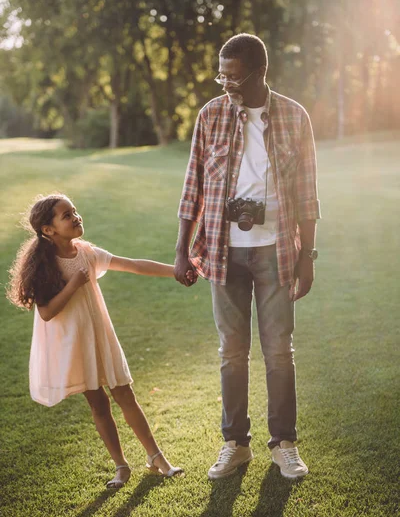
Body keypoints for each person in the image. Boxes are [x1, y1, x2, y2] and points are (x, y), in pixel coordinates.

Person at [174, 33, 321, 480]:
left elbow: (307, 194)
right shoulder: (211, 115)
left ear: (261, 72)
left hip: (277, 249)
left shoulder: (295, 117)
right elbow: (193, 185)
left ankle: (285, 444)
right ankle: (235, 444)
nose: (225, 83)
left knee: (279, 351)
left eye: (233, 76)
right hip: (222, 251)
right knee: (231, 352)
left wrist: (307, 255)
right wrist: (182, 248)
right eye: (222, 74)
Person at [7, 193, 185, 488]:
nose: (76, 217)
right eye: (66, 215)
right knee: (99, 404)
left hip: (100, 336)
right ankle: (121, 466)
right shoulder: (43, 265)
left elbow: (133, 265)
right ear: (48, 230)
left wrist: (177, 271)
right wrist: (74, 284)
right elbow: (48, 312)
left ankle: (157, 458)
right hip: (74, 344)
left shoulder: (86, 252)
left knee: (125, 396)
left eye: (74, 211)